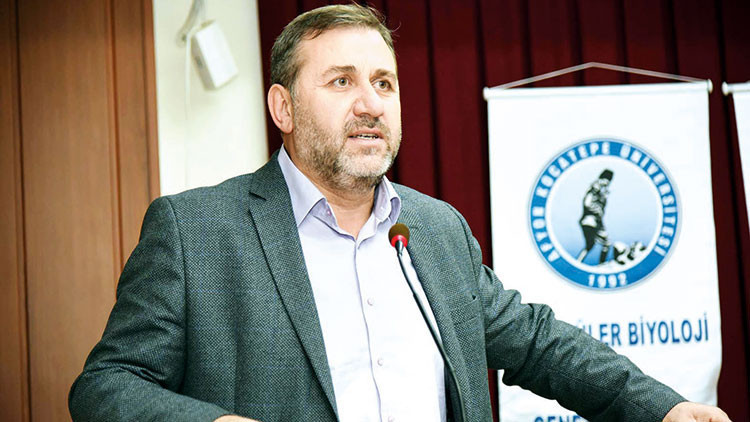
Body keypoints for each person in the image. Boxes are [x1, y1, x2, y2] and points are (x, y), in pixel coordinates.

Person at [68, 4, 731, 422]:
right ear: (282, 108)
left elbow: (536, 342)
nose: (370, 103)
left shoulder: (436, 229)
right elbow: (107, 385)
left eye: (383, 82)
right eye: (341, 81)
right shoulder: (195, 232)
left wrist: (663, 408)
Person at [577, 169, 613, 264]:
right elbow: (587, 203)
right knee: (606, 243)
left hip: (594, 221)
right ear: (601, 178)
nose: (607, 183)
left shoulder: (602, 191)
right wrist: (597, 209)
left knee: (590, 246)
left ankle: (578, 262)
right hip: (591, 220)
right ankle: (602, 264)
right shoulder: (595, 187)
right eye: (606, 180)